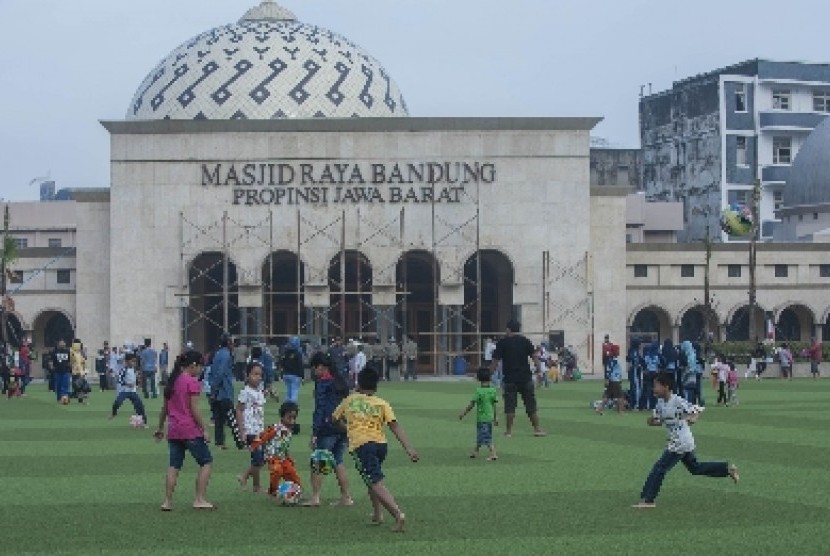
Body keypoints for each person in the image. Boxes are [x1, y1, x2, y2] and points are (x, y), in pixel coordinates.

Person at [632, 372, 739, 509]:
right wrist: (651, 421)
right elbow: (657, 422)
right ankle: (727, 469)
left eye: (656, 386)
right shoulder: (659, 403)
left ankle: (648, 500)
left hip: (680, 442)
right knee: (695, 468)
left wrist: (693, 418)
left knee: (659, 468)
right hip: (680, 441)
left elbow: (697, 410)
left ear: (666, 387)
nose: (654, 389)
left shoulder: (677, 401)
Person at [332, 365, 419, 532]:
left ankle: (397, 514)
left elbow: (334, 419)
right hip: (381, 445)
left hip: (362, 445)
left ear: (358, 384)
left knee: (375, 481)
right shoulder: (382, 403)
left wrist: (348, 428)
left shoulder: (350, 400)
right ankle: (377, 514)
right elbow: (395, 426)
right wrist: (409, 449)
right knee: (371, 478)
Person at [153, 350, 214, 511]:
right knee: (206, 462)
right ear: (193, 365)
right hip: (190, 430)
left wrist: (160, 427)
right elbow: (194, 408)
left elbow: (164, 409)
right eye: (200, 366)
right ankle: (199, 499)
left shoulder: (172, 382)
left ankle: (167, 501)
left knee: (174, 466)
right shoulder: (192, 382)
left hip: (173, 430)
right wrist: (204, 428)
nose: (201, 370)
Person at [302, 352, 353, 507]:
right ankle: (346, 497)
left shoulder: (323, 383)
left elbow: (320, 408)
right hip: (342, 426)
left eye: (314, 368)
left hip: (327, 427)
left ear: (321, 367)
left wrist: (315, 432)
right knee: (338, 461)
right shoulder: (340, 381)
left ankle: (316, 497)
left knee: (319, 460)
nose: (313, 372)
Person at [489, 320, 546, 437]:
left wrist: (488, 375)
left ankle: (509, 431)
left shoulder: (502, 343)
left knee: (510, 406)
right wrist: (540, 372)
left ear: (508, 329)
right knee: (531, 404)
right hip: (525, 377)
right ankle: (537, 429)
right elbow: (535, 358)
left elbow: (495, 362)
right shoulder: (525, 341)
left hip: (510, 379)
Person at [250, 401, 303, 498]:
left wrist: (288, 457)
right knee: (277, 470)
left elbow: (284, 445)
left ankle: (296, 490)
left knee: (292, 473)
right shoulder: (276, 428)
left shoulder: (290, 430)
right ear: (282, 417)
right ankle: (273, 491)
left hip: (283, 458)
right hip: (272, 458)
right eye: (289, 417)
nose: (292, 421)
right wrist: (255, 445)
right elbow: (264, 436)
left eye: (294, 418)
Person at [236, 362, 267, 494]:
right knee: (258, 458)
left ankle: (254, 484)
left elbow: (258, 406)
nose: (258, 377)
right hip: (250, 430)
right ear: (247, 375)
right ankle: (246, 477)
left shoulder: (258, 391)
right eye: (255, 374)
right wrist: (242, 431)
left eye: (260, 375)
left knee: (261, 457)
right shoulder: (245, 392)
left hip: (259, 429)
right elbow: (238, 410)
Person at [458, 367, 499, 460]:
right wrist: (496, 417)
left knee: (485, 436)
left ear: (478, 378)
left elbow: (471, 404)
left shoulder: (479, 391)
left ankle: (493, 453)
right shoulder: (492, 390)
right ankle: (476, 451)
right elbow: (494, 405)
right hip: (490, 417)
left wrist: (463, 413)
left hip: (482, 418)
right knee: (481, 435)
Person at [208, 334, 235, 449]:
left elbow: (212, 372)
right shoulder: (226, 355)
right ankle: (241, 441)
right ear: (228, 342)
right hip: (224, 391)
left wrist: (212, 387)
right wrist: (216, 387)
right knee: (232, 418)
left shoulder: (218, 353)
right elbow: (221, 372)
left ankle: (220, 443)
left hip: (217, 392)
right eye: (232, 342)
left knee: (219, 419)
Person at [109, 353, 147, 426]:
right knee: (117, 403)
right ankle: (114, 413)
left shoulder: (134, 369)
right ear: (126, 361)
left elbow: (135, 378)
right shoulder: (124, 370)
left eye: (134, 361)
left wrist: (138, 383)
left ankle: (143, 422)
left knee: (140, 405)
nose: (133, 363)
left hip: (132, 391)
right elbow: (120, 380)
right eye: (132, 361)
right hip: (124, 391)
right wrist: (127, 384)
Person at [597, 347, 625, 414]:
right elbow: (616, 371)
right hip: (616, 380)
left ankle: (599, 408)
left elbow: (608, 370)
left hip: (611, 380)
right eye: (617, 350)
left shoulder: (610, 360)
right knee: (620, 396)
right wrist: (619, 379)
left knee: (607, 396)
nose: (619, 351)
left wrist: (607, 379)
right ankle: (620, 411)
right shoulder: (616, 361)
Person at [281, 336, 304, 404]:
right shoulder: (298, 353)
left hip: (286, 374)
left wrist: (282, 373)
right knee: (294, 392)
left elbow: (282, 363)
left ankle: (286, 407)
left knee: (288, 392)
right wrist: (302, 376)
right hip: (295, 375)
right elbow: (300, 365)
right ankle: (292, 407)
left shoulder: (286, 352)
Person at [52, 340, 72, 404]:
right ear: (58, 344)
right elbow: (53, 361)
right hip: (58, 371)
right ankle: (59, 397)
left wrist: (70, 367)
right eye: (61, 343)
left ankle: (65, 398)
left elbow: (70, 360)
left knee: (65, 384)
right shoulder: (55, 352)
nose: (62, 344)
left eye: (63, 343)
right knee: (59, 385)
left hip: (66, 371)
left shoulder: (67, 351)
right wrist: (53, 367)